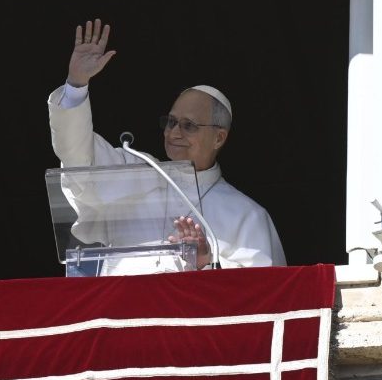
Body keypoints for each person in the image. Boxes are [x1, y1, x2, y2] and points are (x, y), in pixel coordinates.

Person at [48, 19, 286, 272]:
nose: (173, 133)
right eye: (171, 122)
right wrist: (76, 84)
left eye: (188, 125)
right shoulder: (133, 174)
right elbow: (77, 156)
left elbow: (263, 289)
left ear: (219, 138)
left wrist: (207, 263)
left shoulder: (246, 215)